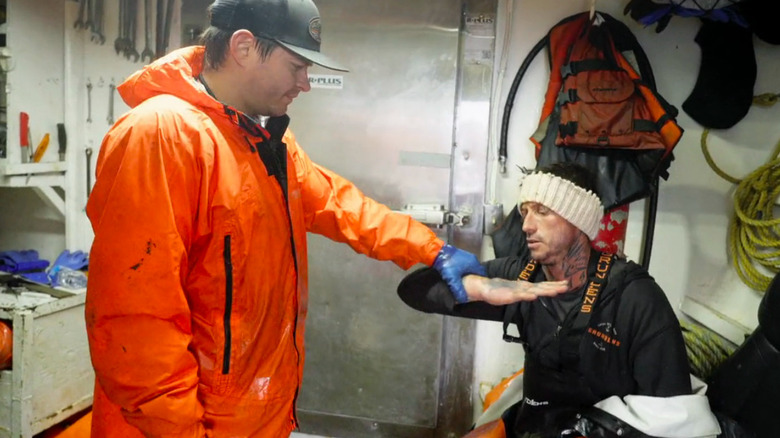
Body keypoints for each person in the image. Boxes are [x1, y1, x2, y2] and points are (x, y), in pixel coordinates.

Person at [84, 0, 486, 436]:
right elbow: (137, 323)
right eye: (296, 66)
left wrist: (432, 248)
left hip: (254, 415)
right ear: (243, 46)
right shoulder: (161, 135)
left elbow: (337, 204)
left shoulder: (260, 135)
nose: (305, 84)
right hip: (181, 424)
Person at [397, 162, 721, 438]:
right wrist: (477, 288)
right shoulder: (520, 275)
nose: (526, 225)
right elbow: (413, 291)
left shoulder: (634, 298)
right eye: (525, 212)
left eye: (542, 211)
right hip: (533, 426)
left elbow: (675, 415)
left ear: (577, 219)